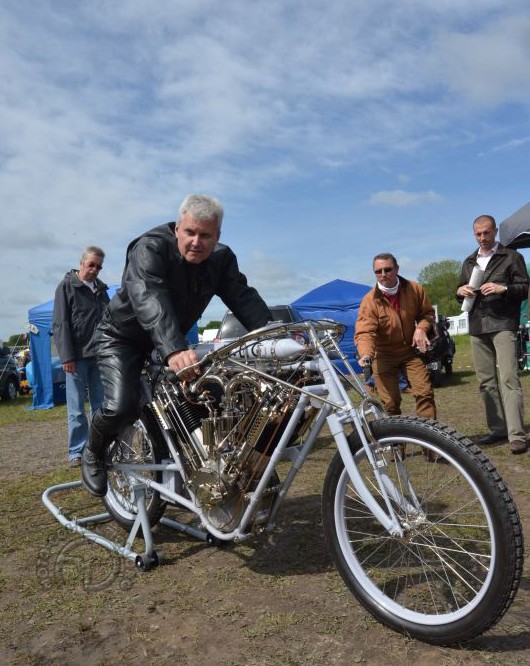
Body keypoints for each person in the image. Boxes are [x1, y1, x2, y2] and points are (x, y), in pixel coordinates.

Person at [82, 194, 272, 496]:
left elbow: (243, 297)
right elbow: (148, 296)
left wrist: (273, 333)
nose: (196, 241)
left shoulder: (221, 260)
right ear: (177, 229)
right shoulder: (149, 248)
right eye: (190, 232)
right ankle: (92, 451)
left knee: (207, 397)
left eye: (205, 235)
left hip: (168, 342)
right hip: (123, 337)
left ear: (217, 236)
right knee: (121, 406)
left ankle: (218, 475)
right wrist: (173, 348)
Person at [457, 215, 529, 454]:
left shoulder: (511, 257)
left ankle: (516, 435)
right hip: (477, 325)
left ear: (495, 231)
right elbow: (460, 292)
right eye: (478, 234)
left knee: (509, 379)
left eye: (486, 233)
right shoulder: (468, 261)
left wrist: (504, 288)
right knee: (486, 382)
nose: (482, 238)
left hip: (503, 323)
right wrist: (460, 290)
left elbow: (525, 288)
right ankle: (497, 429)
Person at [354, 252, 437, 440]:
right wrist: (366, 354)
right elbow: (365, 331)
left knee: (425, 393)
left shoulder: (415, 290)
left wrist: (421, 328)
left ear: (397, 269)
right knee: (391, 404)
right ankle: (396, 446)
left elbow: (428, 314)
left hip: (409, 353)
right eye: (378, 271)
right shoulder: (370, 301)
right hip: (383, 356)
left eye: (388, 269)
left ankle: (431, 444)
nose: (383, 274)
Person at [53, 247, 109, 466]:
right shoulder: (66, 287)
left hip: (99, 357)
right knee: (76, 408)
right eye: (91, 265)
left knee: (100, 407)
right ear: (82, 263)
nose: (94, 270)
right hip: (75, 358)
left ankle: (98, 448)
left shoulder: (101, 290)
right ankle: (76, 450)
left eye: (98, 266)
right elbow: (60, 324)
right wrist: (66, 357)